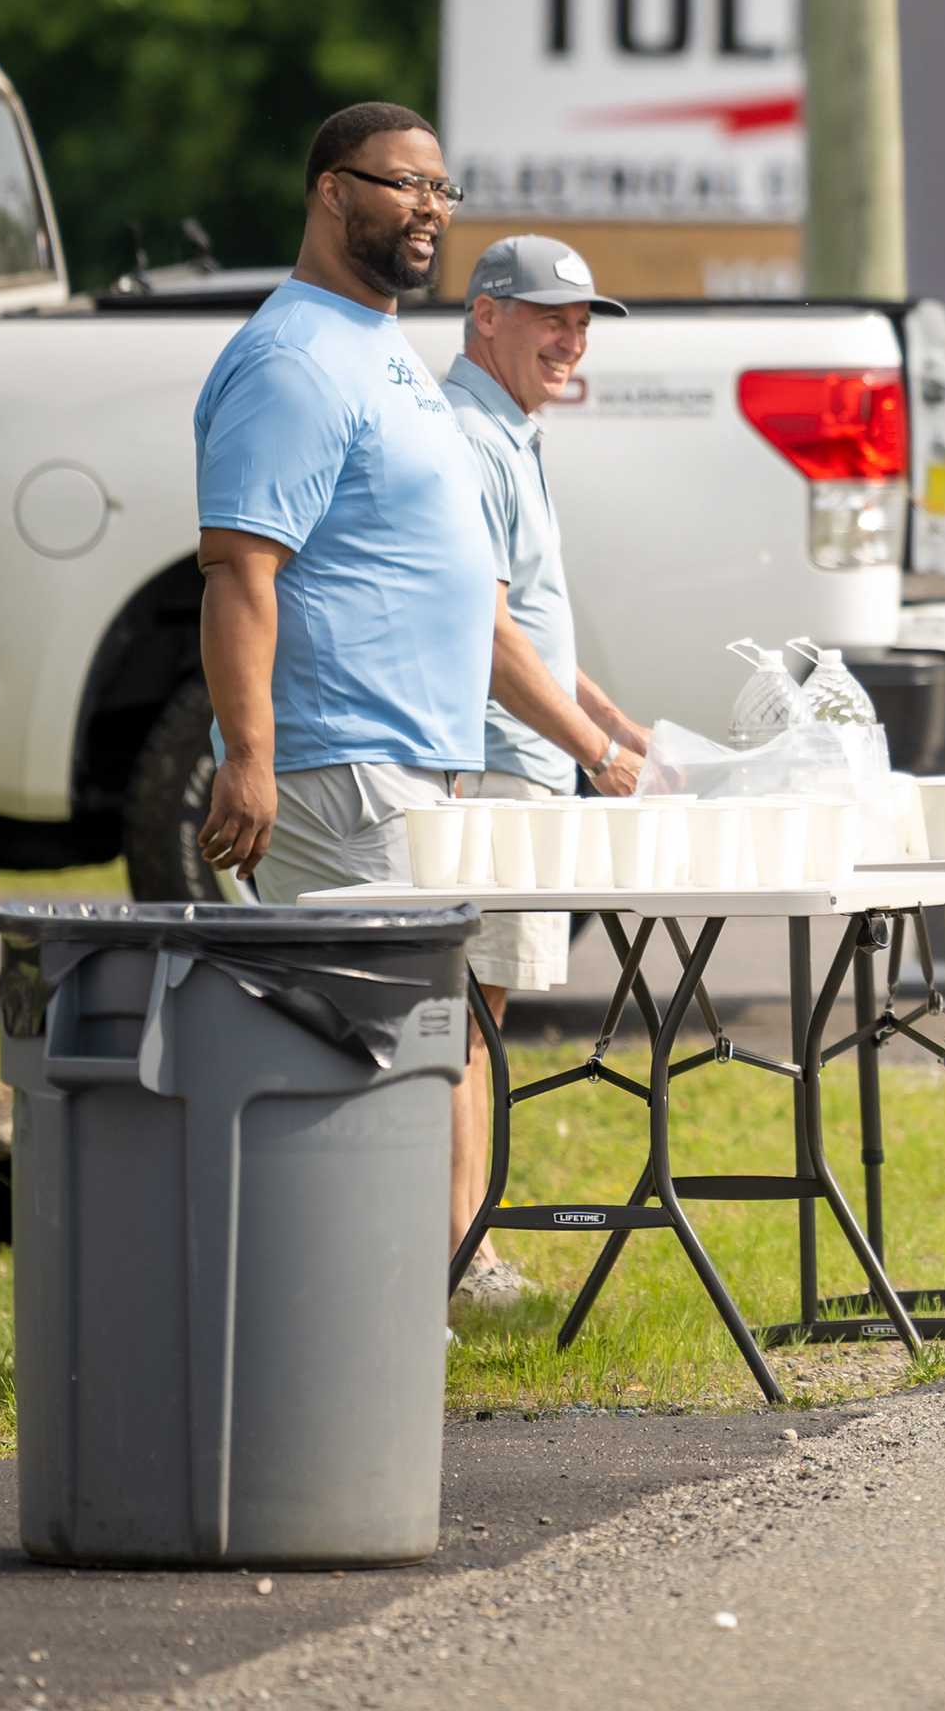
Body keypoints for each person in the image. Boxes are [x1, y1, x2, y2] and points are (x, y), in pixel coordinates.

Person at [192, 105, 502, 1260]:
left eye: (442, 188)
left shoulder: (379, 343)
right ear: (332, 190)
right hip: (342, 769)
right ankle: (354, 1307)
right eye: (404, 183)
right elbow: (239, 568)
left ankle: (397, 1296)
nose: (430, 208)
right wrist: (250, 754)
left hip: (407, 766)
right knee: (374, 1062)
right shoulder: (295, 358)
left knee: (410, 1053)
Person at [440, 234, 653, 1306]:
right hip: (490, 764)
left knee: (477, 1013)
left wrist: (614, 722)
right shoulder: (469, 438)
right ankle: (461, 1261)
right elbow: (486, 637)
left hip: (519, 758)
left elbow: (529, 625)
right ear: (487, 315)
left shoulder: (506, 429)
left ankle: (461, 1251)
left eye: (581, 323)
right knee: (463, 1019)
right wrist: (594, 752)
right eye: (549, 319)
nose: (571, 341)